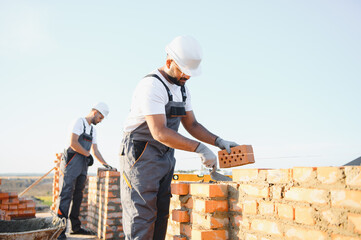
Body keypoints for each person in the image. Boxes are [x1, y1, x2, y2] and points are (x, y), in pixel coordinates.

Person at [119, 35, 239, 240]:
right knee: (142, 216)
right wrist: (199, 149)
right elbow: (159, 132)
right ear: (169, 62)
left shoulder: (182, 89)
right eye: (184, 71)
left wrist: (218, 142)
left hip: (164, 155)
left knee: (160, 214)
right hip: (140, 154)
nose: (188, 77)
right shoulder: (152, 86)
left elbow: (191, 124)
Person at [57, 102, 115, 239]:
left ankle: (75, 228)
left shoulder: (93, 130)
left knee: (78, 196)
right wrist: (87, 154)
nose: (100, 121)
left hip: (82, 165)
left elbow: (95, 150)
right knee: (65, 195)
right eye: (100, 118)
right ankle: (59, 230)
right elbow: (73, 143)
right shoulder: (79, 122)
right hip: (71, 163)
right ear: (95, 112)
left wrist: (106, 164)